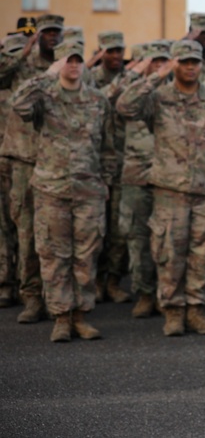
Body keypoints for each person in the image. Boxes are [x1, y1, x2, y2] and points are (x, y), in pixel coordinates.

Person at [117, 39, 205, 337]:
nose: (190, 67)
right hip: (170, 190)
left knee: (203, 252)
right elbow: (124, 105)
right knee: (170, 250)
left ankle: (195, 309)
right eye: (183, 62)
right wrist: (156, 75)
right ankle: (172, 310)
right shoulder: (157, 98)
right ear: (175, 64)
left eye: (194, 62)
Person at [11, 41, 116, 342]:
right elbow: (18, 105)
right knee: (54, 255)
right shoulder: (44, 97)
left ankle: (80, 315)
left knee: (85, 255)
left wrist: (105, 181)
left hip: (88, 190)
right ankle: (60, 316)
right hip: (51, 188)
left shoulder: (97, 100)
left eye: (78, 60)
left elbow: (108, 147)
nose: (73, 65)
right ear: (57, 64)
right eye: (67, 60)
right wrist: (47, 74)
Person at [0, 13, 64, 323]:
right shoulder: (21, 66)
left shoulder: (66, 68)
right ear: (37, 36)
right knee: (26, 234)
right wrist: (22, 53)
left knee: (54, 236)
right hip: (24, 161)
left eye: (56, 32)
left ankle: (57, 299)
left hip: (55, 161)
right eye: (47, 32)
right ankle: (31, 296)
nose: (52, 37)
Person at [109, 41, 172, 318]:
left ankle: (166, 294)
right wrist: (145, 77)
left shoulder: (175, 93)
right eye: (154, 61)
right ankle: (145, 292)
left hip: (168, 177)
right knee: (137, 238)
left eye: (163, 61)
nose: (159, 66)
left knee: (168, 240)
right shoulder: (133, 92)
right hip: (135, 176)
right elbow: (116, 104)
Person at [88, 30, 131, 304]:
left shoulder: (132, 76)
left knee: (120, 228)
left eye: (119, 51)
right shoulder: (90, 80)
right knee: (95, 228)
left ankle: (112, 280)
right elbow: (98, 103)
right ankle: (93, 281)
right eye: (110, 51)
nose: (116, 56)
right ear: (100, 52)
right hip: (96, 165)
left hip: (126, 163)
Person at [0, 33, 30, 308]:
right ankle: (4, 284)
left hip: (19, 160)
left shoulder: (27, 88)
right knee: (2, 227)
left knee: (23, 223)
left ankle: (24, 283)